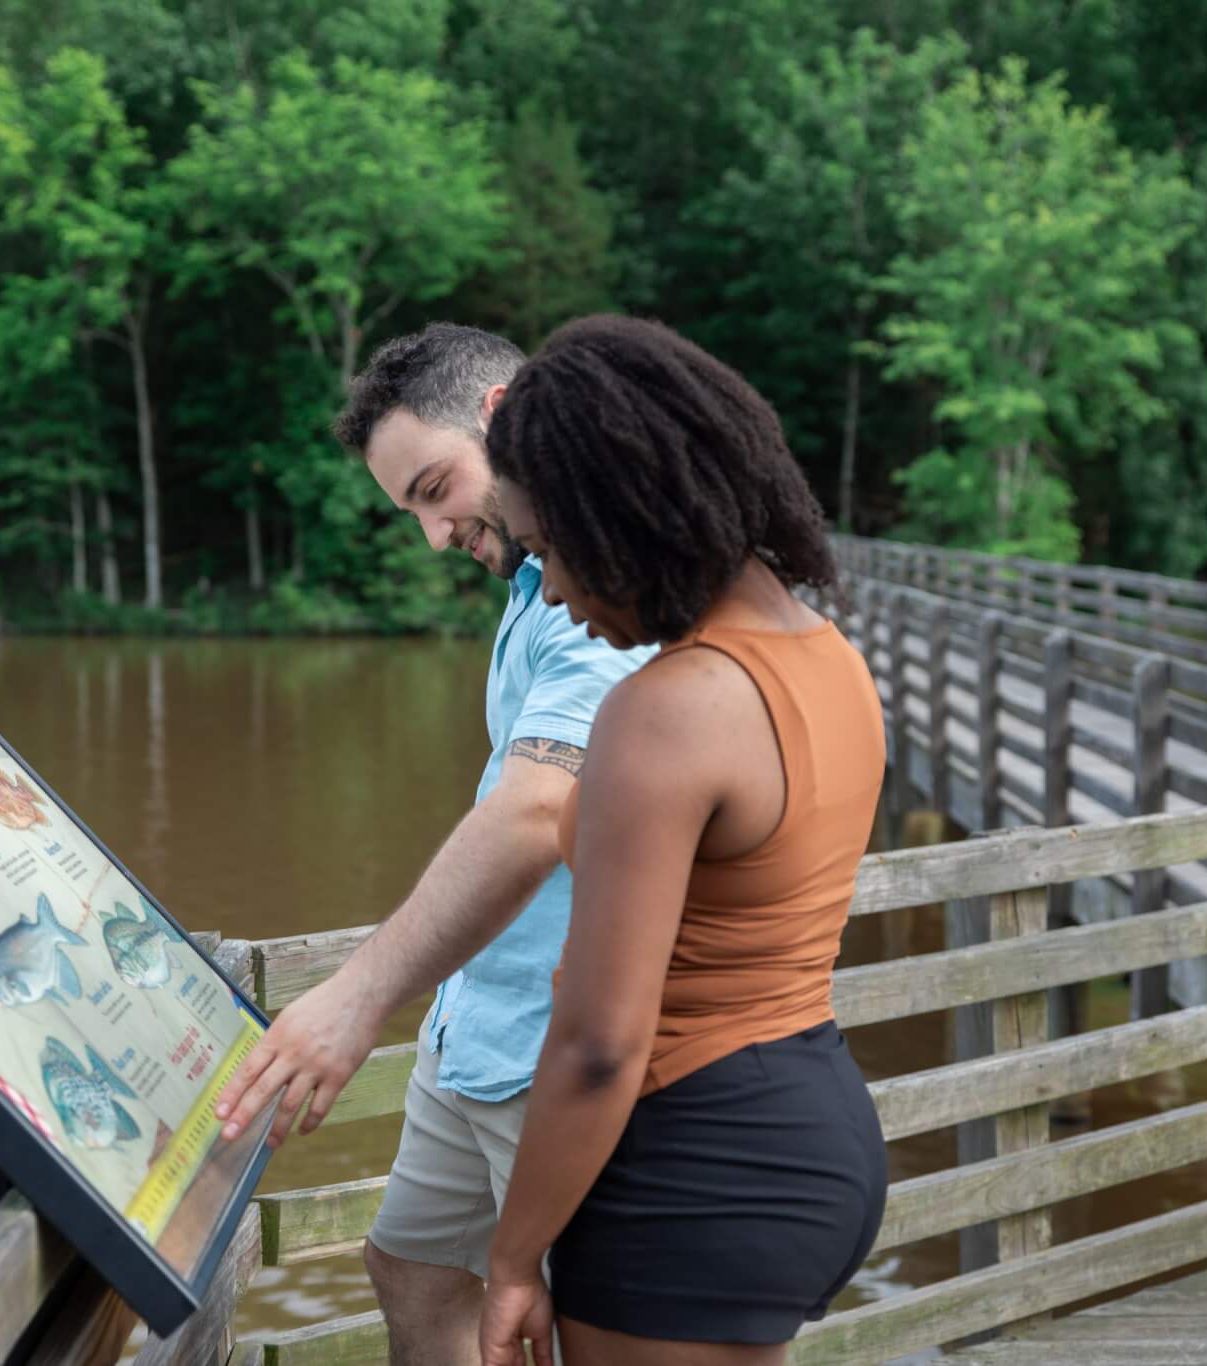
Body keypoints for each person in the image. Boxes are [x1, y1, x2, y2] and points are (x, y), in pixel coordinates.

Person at [211, 322, 652, 1364]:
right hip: (469, 1033)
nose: (432, 533)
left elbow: (539, 811)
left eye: (432, 488)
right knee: (410, 1267)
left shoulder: (602, 591)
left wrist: (357, 997)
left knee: (573, 1328)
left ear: (507, 416)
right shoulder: (528, 582)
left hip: (559, 1050)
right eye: (408, 504)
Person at [473, 316, 889, 1366]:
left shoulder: (666, 711)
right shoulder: (827, 656)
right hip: (813, 1132)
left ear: (618, 513)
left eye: (549, 547)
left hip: (689, 1168)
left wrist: (514, 1259)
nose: (551, 587)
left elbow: (600, 1041)